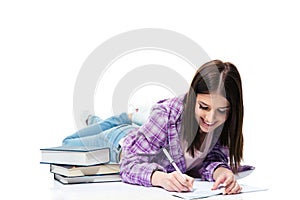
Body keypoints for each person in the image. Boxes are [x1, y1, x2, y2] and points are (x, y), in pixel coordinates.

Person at [62, 60, 252, 195]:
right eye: (204, 107)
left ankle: (116, 118)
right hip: (119, 143)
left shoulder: (224, 122)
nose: (211, 118)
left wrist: (222, 173)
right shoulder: (166, 115)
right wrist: (161, 179)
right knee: (68, 143)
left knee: (134, 122)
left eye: (221, 110)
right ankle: (108, 119)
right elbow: (128, 164)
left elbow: (211, 158)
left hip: (145, 131)